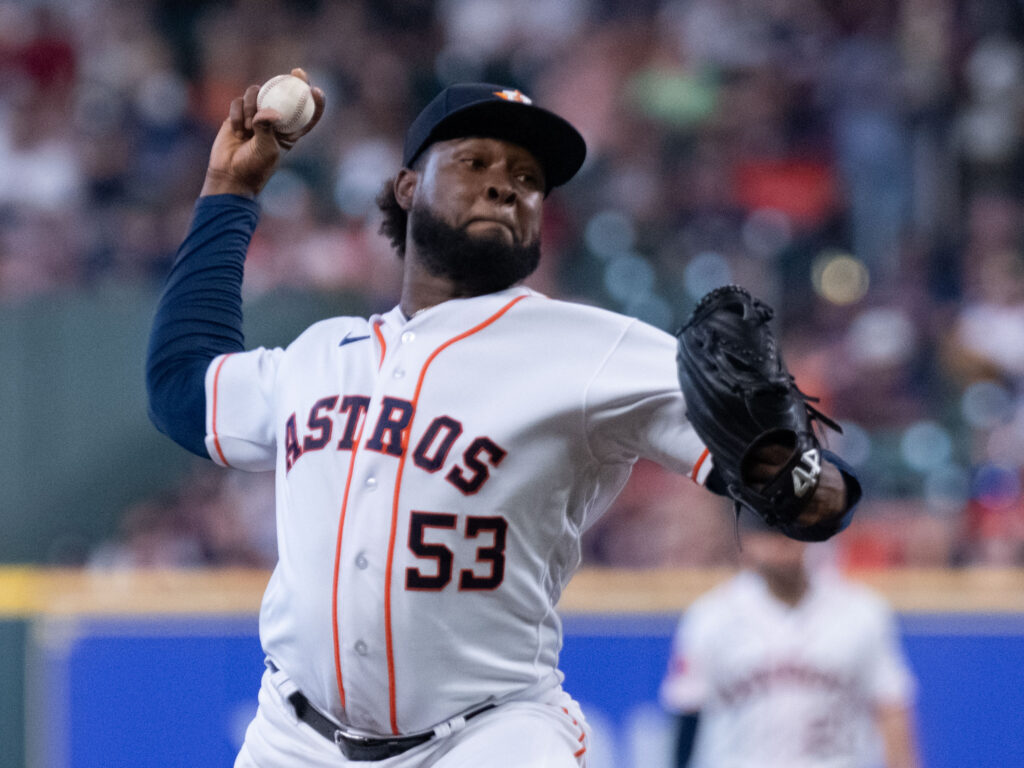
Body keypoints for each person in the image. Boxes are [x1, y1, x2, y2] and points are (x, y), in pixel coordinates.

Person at [146, 69, 861, 767]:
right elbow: (182, 390)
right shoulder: (322, 354)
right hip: (294, 738)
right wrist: (230, 191)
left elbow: (809, 495)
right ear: (407, 186)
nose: (505, 184)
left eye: (527, 178)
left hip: (489, 736)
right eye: (475, 162)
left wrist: (795, 475)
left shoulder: (591, 348)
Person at [659, 515, 919, 768]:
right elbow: (687, 713)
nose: (781, 542)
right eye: (769, 531)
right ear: (747, 540)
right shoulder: (710, 617)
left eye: (789, 528)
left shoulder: (861, 611)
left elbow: (891, 709)